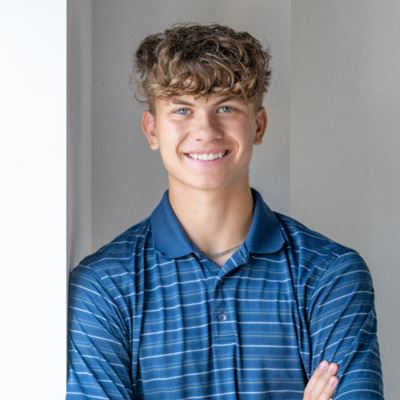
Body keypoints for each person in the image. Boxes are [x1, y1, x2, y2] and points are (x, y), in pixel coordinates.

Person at [66, 23, 383, 399]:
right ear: (152, 130)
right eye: (182, 109)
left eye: (227, 107)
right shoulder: (105, 286)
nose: (206, 130)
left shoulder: (330, 275)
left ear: (258, 125)